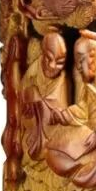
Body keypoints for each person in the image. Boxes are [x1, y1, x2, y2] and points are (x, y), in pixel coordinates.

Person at [40, 31, 96, 189]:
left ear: (92, 56)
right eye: (77, 63)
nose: (79, 67)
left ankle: (92, 170)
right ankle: (80, 168)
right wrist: (64, 115)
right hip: (89, 135)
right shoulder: (88, 78)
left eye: (81, 61)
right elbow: (84, 108)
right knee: (52, 150)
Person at [20, 31, 69, 161]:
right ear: (42, 53)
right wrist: (31, 102)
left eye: (60, 62)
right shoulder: (33, 72)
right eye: (48, 58)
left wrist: (42, 103)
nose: (53, 66)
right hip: (33, 127)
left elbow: (60, 114)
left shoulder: (63, 81)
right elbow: (21, 98)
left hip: (53, 132)